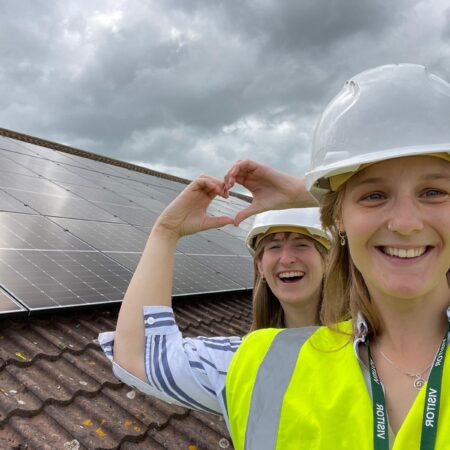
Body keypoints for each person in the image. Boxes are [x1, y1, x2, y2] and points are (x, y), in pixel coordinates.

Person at [224, 63, 450, 449]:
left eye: (433, 192)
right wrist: (165, 231)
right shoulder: (262, 364)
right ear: (337, 220)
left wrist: (309, 188)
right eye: (373, 195)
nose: (407, 223)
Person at [98, 178, 329, 423]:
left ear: (330, 258)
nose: (286, 258)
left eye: (302, 245)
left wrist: (305, 193)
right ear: (260, 265)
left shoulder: (368, 344)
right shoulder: (241, 362)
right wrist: (166, 231)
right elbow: (140, 356)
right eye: (273, 247)